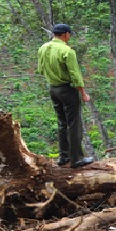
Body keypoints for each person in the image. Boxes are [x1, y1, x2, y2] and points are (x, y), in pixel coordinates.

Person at [37, 24, 94, 168]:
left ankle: (63, 157)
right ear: (66, 35)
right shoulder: (67, 51)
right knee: (74, 124)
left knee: (62, 123)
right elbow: (75, 75)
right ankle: (76, 159)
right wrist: (83, 93)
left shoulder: (43, 48)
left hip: (53, 89)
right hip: (67, 90)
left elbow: (40, 69)